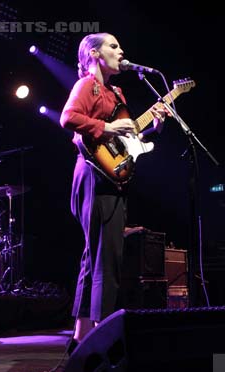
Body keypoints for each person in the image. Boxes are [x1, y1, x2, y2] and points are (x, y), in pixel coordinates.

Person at [60, 33, 168, 346]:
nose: (121, 51)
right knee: (107, 261)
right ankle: (102, 341)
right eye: (114, 45)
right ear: (94, 53)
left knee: (94, 259)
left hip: (110, 177)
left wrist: (155, 127)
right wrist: (107, 127)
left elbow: (126, 143)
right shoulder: (87, 86)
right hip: (94, 177)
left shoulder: (116, 92)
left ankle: (81, 338)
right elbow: (68, 118)